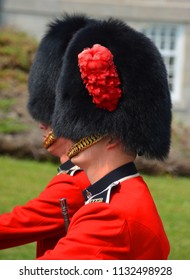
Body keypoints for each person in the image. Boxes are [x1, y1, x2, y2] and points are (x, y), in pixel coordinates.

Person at [38, 15, 172, 260]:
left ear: (112, 137)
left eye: (84, 127)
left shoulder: (110, 215)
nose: (70, 133)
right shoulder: (116, 197)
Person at [0, 14, 92, 258]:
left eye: (51, 115)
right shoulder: (77, 175)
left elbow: (18, 225)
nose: (42, 123)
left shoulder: (76, 183)